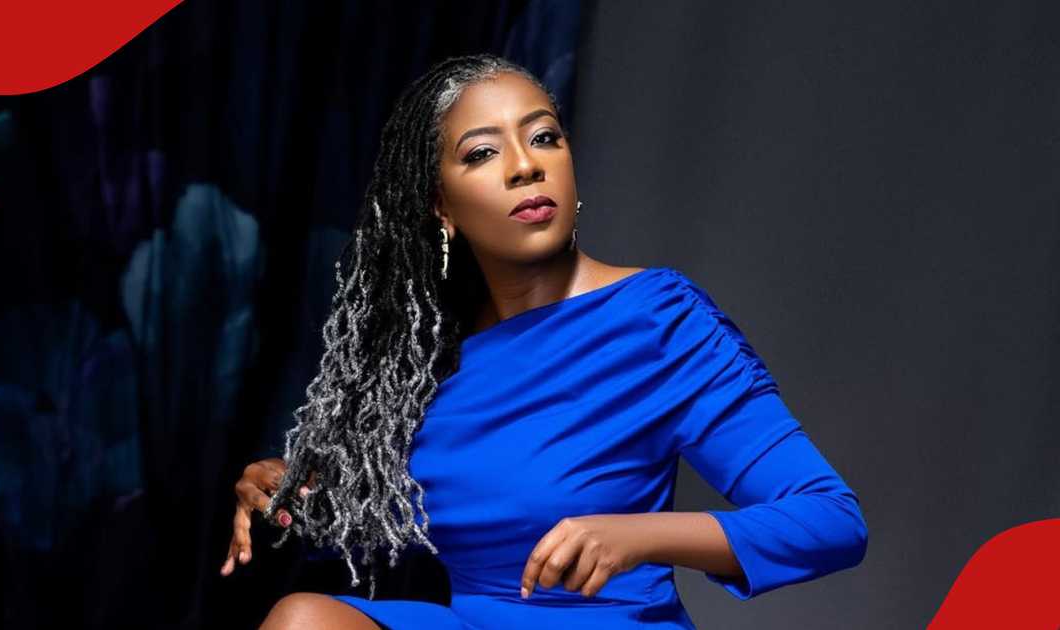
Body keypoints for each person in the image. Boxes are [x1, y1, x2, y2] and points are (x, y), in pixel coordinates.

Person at [219, 53, 868, 629]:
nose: (526, 166)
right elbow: (377, 510)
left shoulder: (657, 319)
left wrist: (637, 537)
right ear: (442, 207)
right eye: (482, 153)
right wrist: (289, 488)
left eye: (544, 138)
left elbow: (831, 519)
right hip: (471, 619)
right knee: (305, 619)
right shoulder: (426, 364)